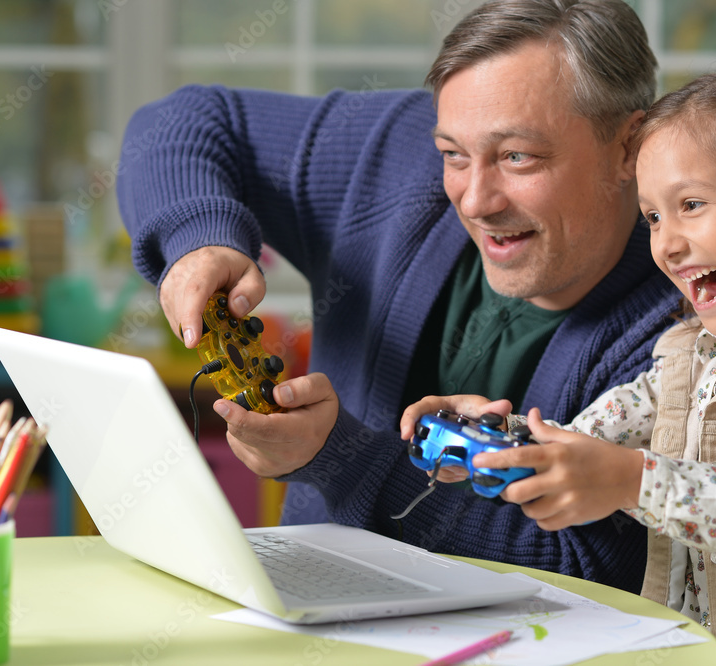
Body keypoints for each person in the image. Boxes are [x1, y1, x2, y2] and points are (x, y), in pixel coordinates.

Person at [117, 0, 681, 593]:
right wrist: (197, 240)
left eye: (518, 156)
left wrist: (337, 456)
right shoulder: (392, 155)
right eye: (453, 155)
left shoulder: (691, 321)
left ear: (629, 149)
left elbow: (594, 571)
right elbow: (181, 122)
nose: (474, 200)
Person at [402, 65, 716, 663]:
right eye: (653, 217)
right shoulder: (688, 356)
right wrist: (497, 440)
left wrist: (634, 480)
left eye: (691, 204)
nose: (666, 243)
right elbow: (581, 444)